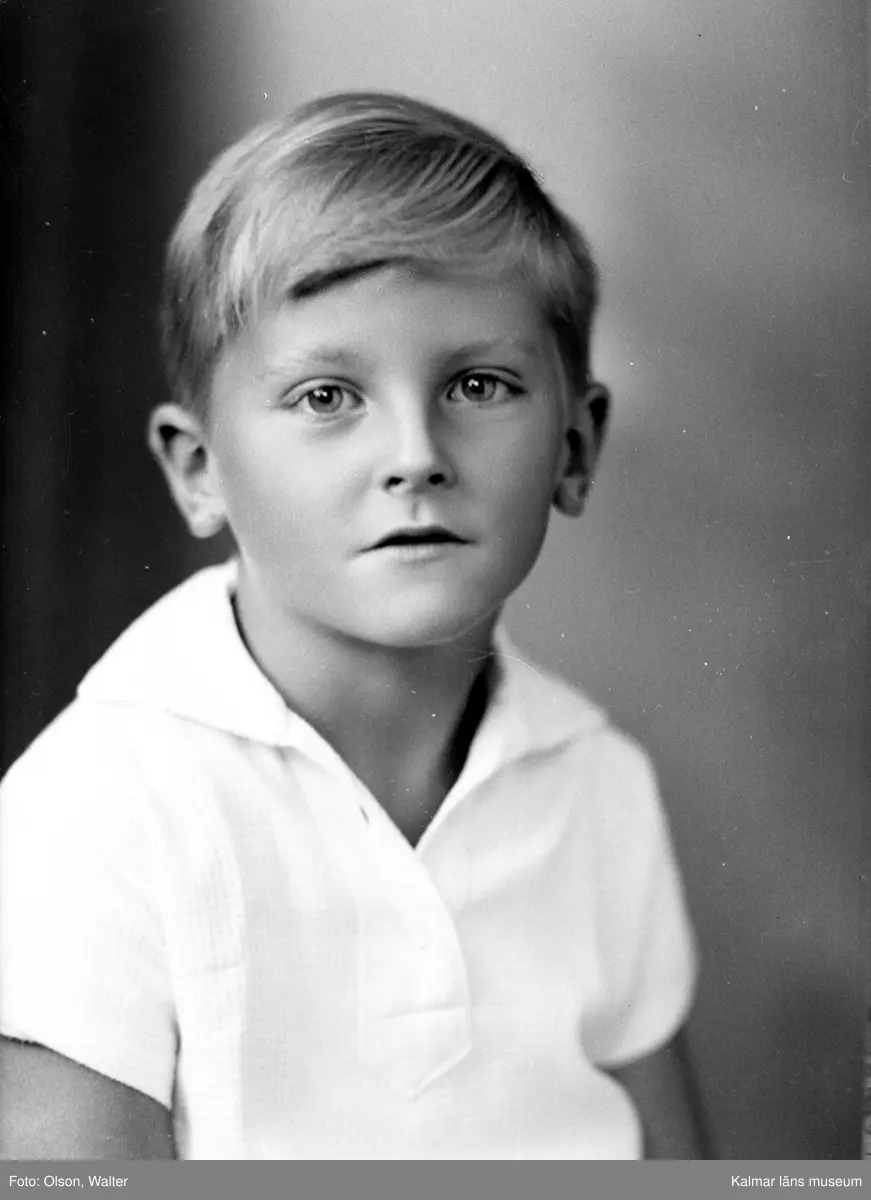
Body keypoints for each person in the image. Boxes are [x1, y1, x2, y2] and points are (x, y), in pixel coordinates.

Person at [0, 92, 708, 1160]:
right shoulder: (100, 807)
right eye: (327, 396)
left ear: (574, 447)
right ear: (199, 470)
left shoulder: (597, 784)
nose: (415, 454)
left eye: (478, 384)